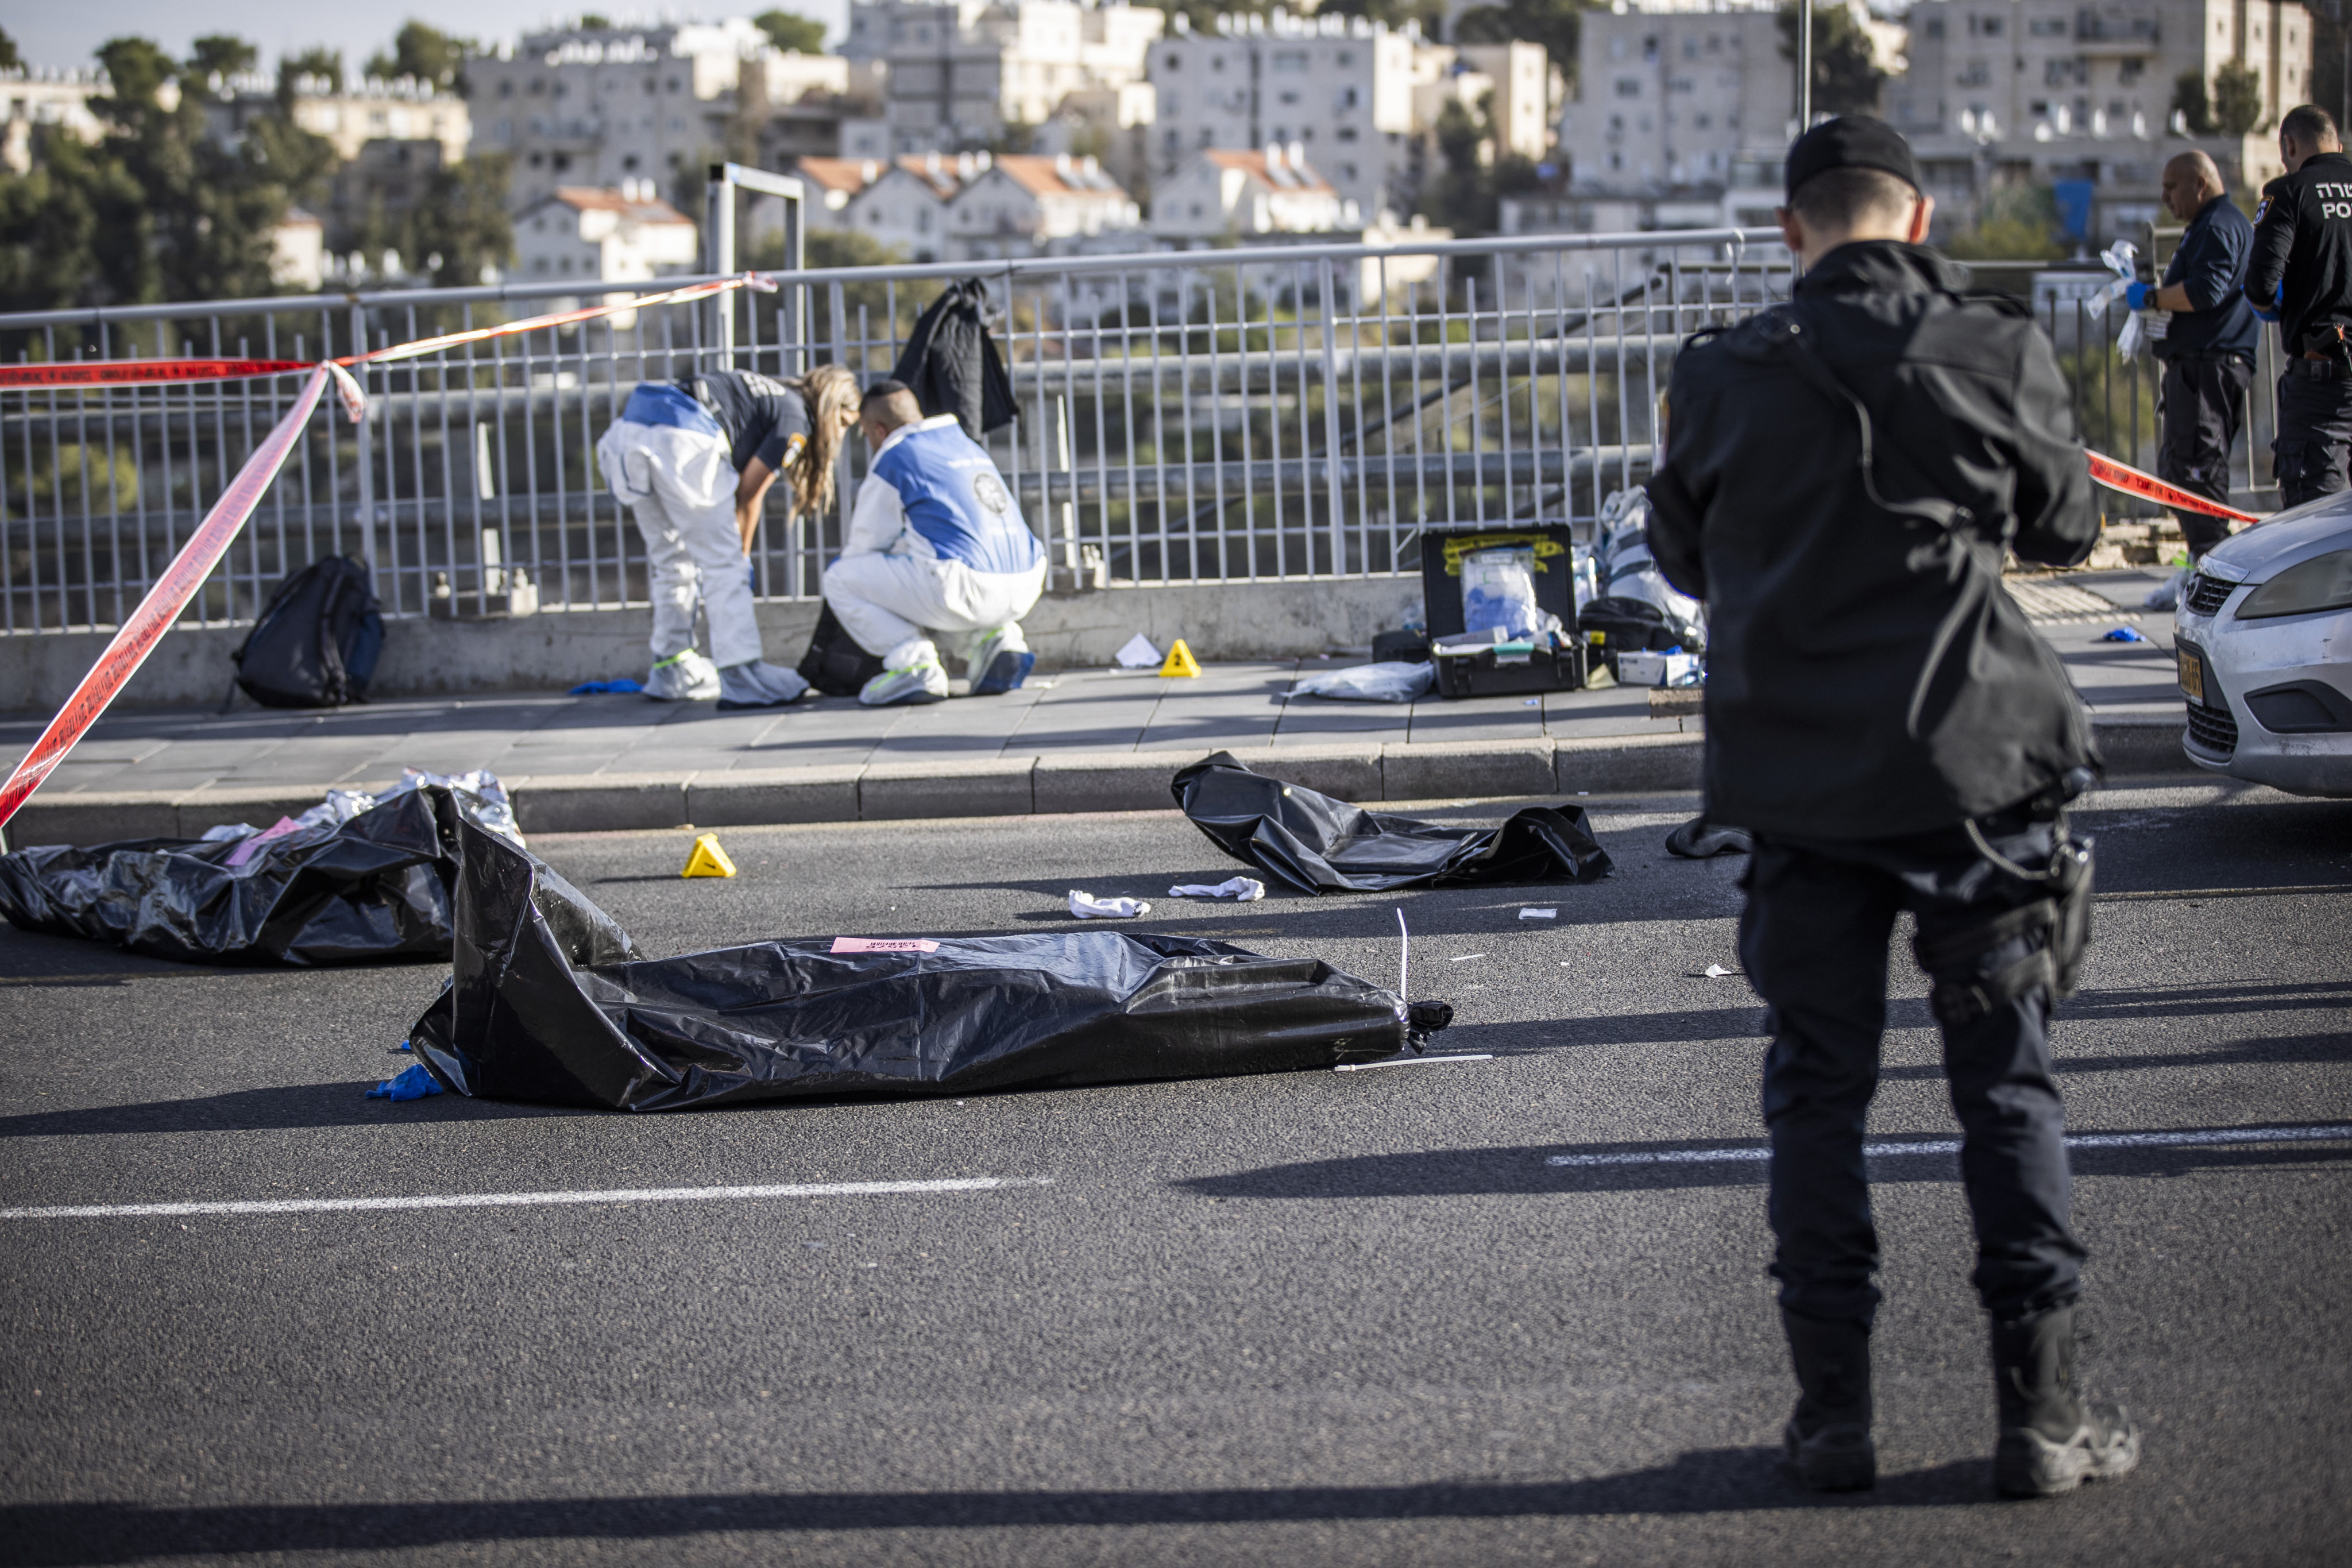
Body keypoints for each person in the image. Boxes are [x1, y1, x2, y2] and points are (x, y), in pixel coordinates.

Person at [1644, 117, 2140, 1500]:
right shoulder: (1993, 347)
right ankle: (2040, 1421)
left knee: (1817, 1100)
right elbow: (2066, 527)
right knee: (2008, 1093)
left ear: (1793, 230)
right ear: (1918, 221)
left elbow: (1681, 553)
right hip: (1979, 776)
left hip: (1801, 790)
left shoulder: (1721, 374)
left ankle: (1835, 1420)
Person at [595, 364, 860, 706]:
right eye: (843, 424)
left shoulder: (771, 392)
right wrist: (741, 555)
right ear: (831, 406)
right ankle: (742, 675)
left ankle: (671, 667)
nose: (839, 435)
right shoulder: (797, 419)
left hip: (632, 428)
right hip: (683, 440)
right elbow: (749, 493)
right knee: (726, 565)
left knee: (672, 561)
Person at [825, 380, 1046, 706]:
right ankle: (998, 641)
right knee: (930, 560)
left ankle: (914, 665)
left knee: (841, 577)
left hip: (964, 587)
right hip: (1027, 579)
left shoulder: (895, 456)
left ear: (878, 430)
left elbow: (866, 545)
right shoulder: (963, 443)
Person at [2129, 150, 2258, 559]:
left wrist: (2151, 297)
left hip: (2207, 370)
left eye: (2171, 187)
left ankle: (2211, 573)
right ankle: (2200, 568)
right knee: (2180, 473)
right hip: (2198, 369)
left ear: (2199, 184)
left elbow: (2205, 291)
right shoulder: (2208, 224)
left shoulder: (2219, 225)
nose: (2165, 198)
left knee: (2198, 477)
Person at [2245, 104, 2352, 507]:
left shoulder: (2287, 192)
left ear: (2288, 145)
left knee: (2313, 523)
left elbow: (2259, 287)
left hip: (2321, 381)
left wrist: (2274, 304)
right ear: (2336, 145)